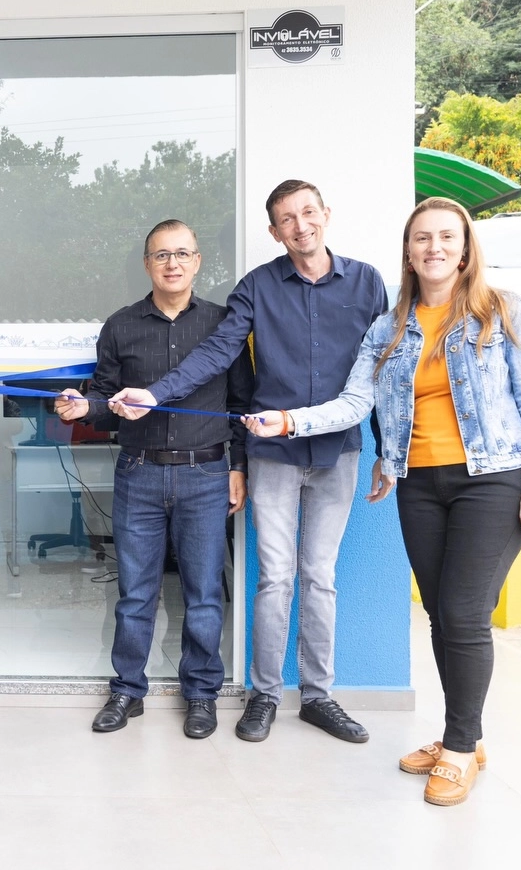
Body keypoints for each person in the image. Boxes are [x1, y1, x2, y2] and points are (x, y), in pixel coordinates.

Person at [244, 197, 521, 806]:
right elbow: (354, 403)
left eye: (446, 237)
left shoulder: (506, 311)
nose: (433, 247)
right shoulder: (388, 328)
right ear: (408, 253)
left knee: (464, 614)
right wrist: (289, 421)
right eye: (421, 238)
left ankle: (459, 749)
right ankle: (464, 737)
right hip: (420, 484)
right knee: (442, 613)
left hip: (492, 478)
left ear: (464, 249)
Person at [109, 180, 387, 745]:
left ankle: (318, 697)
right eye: (287, 219)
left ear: (326, 214)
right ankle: (264, 696)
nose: (300, 225)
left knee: (321, 577)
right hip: (273, 455)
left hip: (339, 451)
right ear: (274, 231)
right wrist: (157, 394)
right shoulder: (257, 287)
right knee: (276, 578)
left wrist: (388, 450)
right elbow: (217, 353)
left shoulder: (367, 283)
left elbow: (382, 371)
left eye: (308, 212)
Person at [57, 219, 252, 739]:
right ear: (147, 263)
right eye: (162, 255)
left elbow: (241, 404)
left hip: (206, 474)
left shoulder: (222, 324)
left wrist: (238, 467)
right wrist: (82, 407)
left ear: (198, 261)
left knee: (204, 593)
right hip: (138, 474)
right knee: (135, 593)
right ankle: (127, 689)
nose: (172, 263)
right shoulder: (121, 325)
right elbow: (104, 399)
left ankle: (202, 694)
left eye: (182, 253)